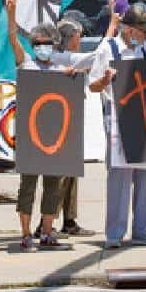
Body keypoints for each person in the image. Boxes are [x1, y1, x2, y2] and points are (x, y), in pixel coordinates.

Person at [88, 2, 146, 249]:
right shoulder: (107, 49)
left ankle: (141, 230)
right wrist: (105, 79)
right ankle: (114, 233)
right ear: (129, 29)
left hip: (142, 116)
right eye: (143, 30)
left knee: (145, 174)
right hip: (117, 118)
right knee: (119, 177)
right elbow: (92, 86)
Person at [5, 0, 75, 252]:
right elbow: (13, 38)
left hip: (54, 137)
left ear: (54, 45)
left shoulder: (59, 70)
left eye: (48, 42)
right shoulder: (26, 66)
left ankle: (47, 232)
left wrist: (74, 75)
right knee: (28, 185)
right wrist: (11, 12)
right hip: (29, 136)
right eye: (38, 43)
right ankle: (25, 234)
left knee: (53, 186)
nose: (43, 47)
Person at [53, 17, 98, 238]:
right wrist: (110, 30)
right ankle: (47, 221)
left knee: (71, 173)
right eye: (77, 37)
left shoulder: (69, 59)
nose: (80, 41)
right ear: (68, 39)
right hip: (58, 124)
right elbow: (94, 58)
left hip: (72, 120)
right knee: (59, 175)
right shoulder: (59, 58)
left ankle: (69, 220)